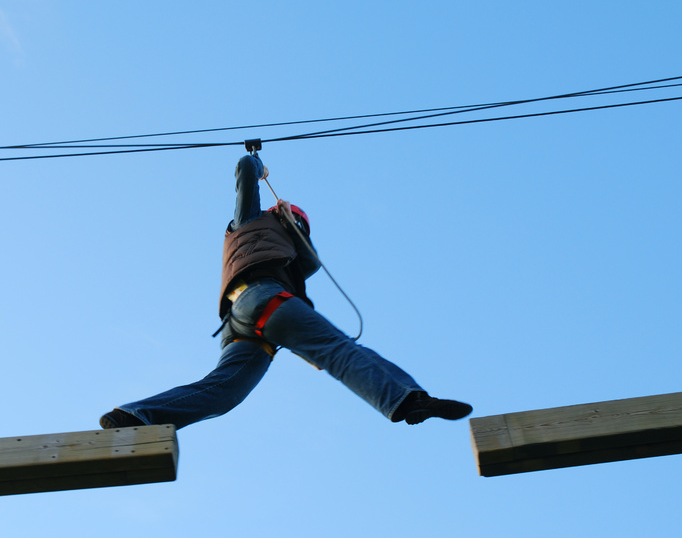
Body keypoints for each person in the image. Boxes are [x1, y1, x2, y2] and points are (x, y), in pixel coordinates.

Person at [99, 152, 472, 430]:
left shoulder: (294, 261)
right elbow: (245, 171)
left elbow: (307, 275)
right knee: (340, 350)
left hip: (247, 323)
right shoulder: (251, 223)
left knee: (224, 393)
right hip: (258, 298)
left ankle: (133, 416)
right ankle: (409, 399)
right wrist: (257, 167)